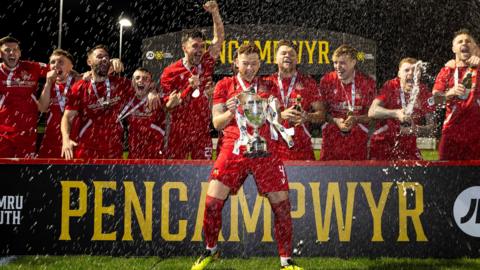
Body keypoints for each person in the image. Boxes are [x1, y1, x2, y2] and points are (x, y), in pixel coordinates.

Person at [191, 43, 302, 270]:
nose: (249, 68)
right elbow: (216, 123)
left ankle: (286, 261)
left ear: (259, 64)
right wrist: (232, 110)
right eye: (245, 63)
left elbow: (275, 118)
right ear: (236, 63)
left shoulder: (269, 85)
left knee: (281, 205)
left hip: (265, 150)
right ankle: (211, 250)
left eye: (253, 63)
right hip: (234, 148)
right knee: (212, 202)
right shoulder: (224, 85)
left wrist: (281, 114)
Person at [160, 0, 224, 160]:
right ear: (184, 48)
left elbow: (219, 38)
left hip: (202, 131)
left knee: (204, 175)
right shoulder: (170, 72)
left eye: (202, 46)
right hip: (178, 133)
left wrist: (215, 13)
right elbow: (168, 106)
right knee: (175, 175)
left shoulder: (206, 62)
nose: (200, 50)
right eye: (195, 46)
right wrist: (188, 89)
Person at [61, 45, 134, 159]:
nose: (104, 59)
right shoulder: (79, 87)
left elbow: (143, 88)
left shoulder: (121, 84)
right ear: (89, 62)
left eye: (106, 57)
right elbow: (67, 117)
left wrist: (152, 91)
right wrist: (66, 139)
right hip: (86, 151)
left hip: (114, 150)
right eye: (99, 56)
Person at [265, 40, 324, 160]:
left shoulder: (308, 82)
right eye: (283, 53)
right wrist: (280, 115)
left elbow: (322, 114)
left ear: (297, 60)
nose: (287, 56)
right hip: (274, 152)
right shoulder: (266, 84)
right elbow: (257, 118)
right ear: (275, 58)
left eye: (292, 54)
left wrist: (307, 116)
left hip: (302, 151)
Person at [368, 58, 435, 160]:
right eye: (407, 70)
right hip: (383, 143)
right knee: (380, 175)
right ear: (399, 73)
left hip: (409, 145)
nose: (411, 73)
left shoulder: (424, 92)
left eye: (415, 70)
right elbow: (372, 111)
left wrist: (416, 129)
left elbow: (432, 128)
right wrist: (395, 113)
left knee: (418, 173)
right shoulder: (391, 86)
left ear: (420, 74)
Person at [318, 44, 376, 160]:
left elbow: (372, 118)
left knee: (358, 178)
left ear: (353, 62)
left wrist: (356, 119)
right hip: (331, 147)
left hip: (357, 147)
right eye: (335, 62)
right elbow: (321, 114)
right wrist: (334, 120)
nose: (337, 67)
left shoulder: (367, 83)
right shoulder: (327, 81)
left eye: (342, 63)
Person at [432, 29, 480, 160]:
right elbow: (434, 100)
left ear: (475, 47)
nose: (464, 43)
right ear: (454, 49)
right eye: (460, 41)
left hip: (477, 138)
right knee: (445, 178)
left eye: (468, 41)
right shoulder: (447, 71)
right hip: (451, 136)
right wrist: (450, 93)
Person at [0, 36, 49, 158]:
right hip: (2, 133)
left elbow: (58, 69)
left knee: (24, 171)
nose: (12, 52)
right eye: (7, 50)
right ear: (0, 54)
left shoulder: (32, 67)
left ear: (20, 53)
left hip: (27, 132)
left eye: (15, 49)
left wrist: (83, 74)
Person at [119, 67, 165, 159]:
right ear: (132, 82)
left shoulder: (158, 99)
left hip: (155, 156)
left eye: (145, 79)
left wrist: (155, 91)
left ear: (151, 83)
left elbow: (172, 100)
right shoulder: (126, 99)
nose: (141, 81)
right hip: (134, 155)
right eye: (137, 78)